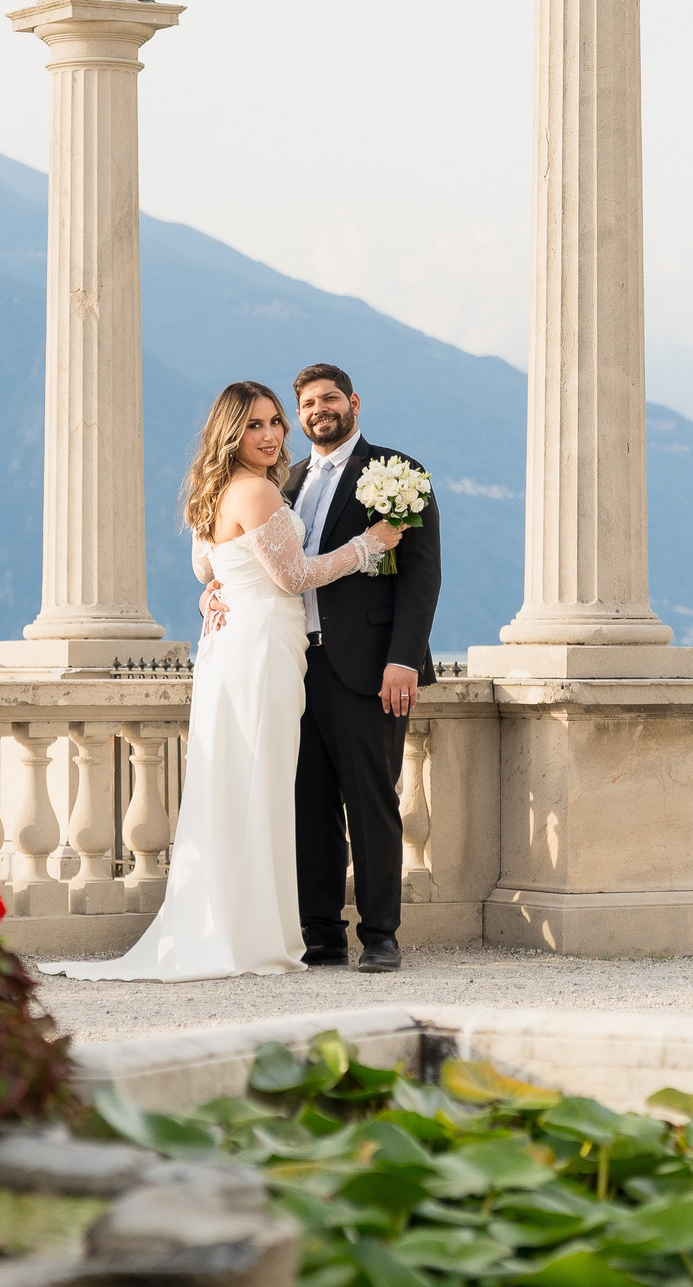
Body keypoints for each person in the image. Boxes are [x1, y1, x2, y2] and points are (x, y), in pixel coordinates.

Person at [40, 381, 403, 982]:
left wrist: (216, 593)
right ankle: (255, 934)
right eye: (254, 425)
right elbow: (294, 577)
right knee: (258, 782)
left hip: (234, 646)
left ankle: (240, 926)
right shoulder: (259, 490)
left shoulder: (212, 493)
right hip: (261, 646)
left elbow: (208, 568)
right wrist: (369, 545)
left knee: (238, 782)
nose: (269, 436)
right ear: (229, 434)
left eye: (274, 424)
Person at [199, 365, 442, 973]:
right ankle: (322, 933)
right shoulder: (288, 479)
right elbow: (254, 563)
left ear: (353, 402)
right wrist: (213, 593)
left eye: (327, 400)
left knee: (372, 803)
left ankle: (381, 935)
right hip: (290, 662)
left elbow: (422, 575)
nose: (314, 413)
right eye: (303, 405)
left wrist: (402, 659)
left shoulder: (398, 474)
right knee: (306, 806)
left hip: (367, 666)